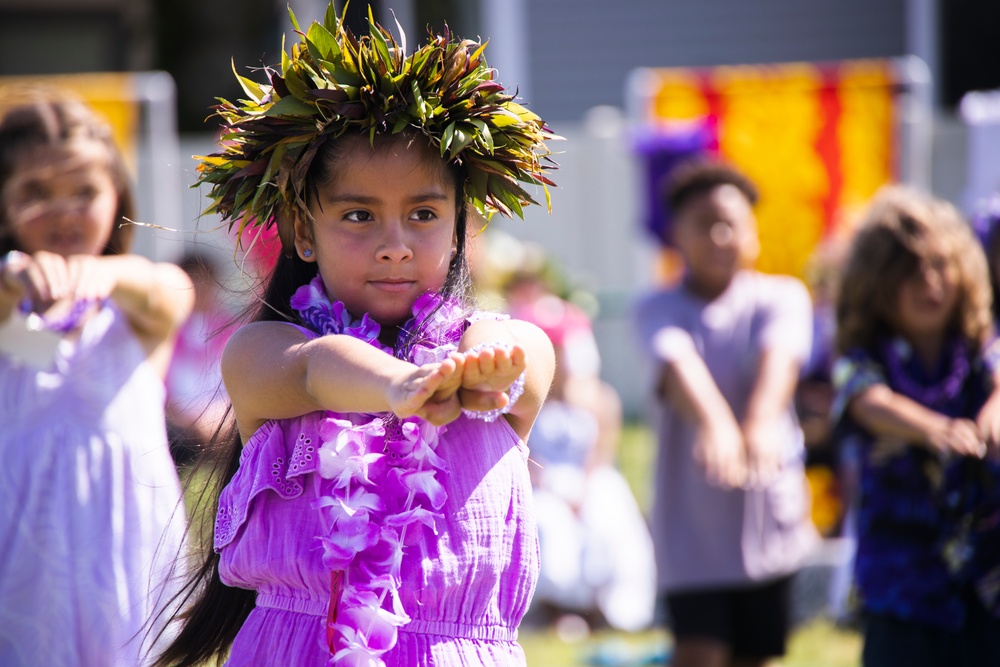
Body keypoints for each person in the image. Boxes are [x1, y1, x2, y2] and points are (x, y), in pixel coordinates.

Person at [153, 5, 557, 667]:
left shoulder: (487, 351)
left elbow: (528, 358)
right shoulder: (262, 354)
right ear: (303, 230)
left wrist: (478, 369)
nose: (394, 246)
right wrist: (402, 385)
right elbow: (317, 369)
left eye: (423, 213)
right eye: (359, 215)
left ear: (460, 227)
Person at [0, 95, 194, 665]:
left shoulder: (138, 303)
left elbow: (166, 288)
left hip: (124, 547)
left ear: (117, 195)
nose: (64, 212)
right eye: (36, 193)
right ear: (4, 206)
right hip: (19, 550)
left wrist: (97, 273)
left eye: (84, 191)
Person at [632, 158, 818, 667]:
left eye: (730, 223)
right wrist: (715, 424)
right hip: (692, 526)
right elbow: (678, 363)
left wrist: (758, 425)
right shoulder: (657, 306)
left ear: (753, 232)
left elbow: (779, 361)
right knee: (698, 649)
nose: (719, 236)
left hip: (765, 511)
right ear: (676, 236)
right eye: (703, 224)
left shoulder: (782, 297)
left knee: (757, 654)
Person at [830, 185, 1000, 667]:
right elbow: (868, 401)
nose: (930, 283)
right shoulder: (866, 358)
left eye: (941, 266)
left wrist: (991, 417)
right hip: (901, 586)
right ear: (877, 282)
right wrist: (933, 428)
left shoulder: (977, 350)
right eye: (909, 271)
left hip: (985, 583)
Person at [511, 281, 656, 635]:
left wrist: (583, 489)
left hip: (590, 481)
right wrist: (553, 486)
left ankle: (603, 608)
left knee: (604, 518)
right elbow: (522, 453)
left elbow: (601, 453)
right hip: (542, 482)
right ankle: (556, 606)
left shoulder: (598, 398)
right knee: (547, 521)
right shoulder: (522, 400)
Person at [165, 250, 234, 467]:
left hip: (225, 424)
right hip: (179, 430)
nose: (200, 290)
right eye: (193, 281)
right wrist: (192, 423)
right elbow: (161, 389)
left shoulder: (233, 330)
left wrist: (220, 420)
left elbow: (243, 382)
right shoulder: (166, 332)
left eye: (207, 282)